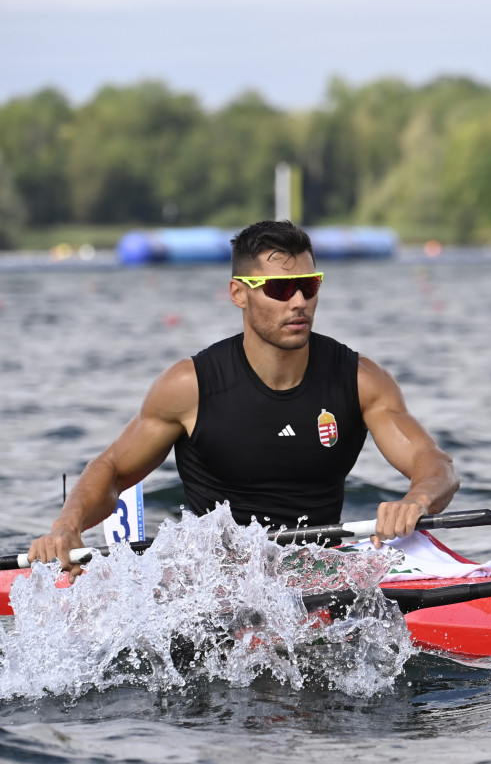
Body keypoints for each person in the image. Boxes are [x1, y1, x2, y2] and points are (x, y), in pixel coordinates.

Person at [29, 220, 459, 576]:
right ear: (239, 293)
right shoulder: (189, 386)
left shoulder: (362, 379)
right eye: (279, 289)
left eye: (309, 286)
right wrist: (67, 527)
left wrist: (417, 500)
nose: (299, 302)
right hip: (216, 576)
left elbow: (435, 464)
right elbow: (112, 470)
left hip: (316, 569)